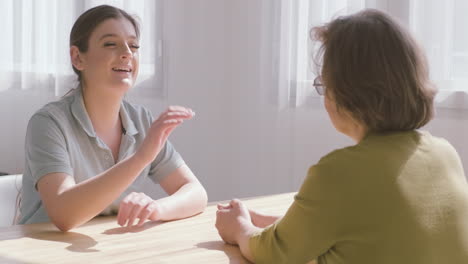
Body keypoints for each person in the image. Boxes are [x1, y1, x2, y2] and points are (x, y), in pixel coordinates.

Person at [215, 9, 468, 263]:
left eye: (324, 85)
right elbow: (371, 229)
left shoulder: (339, 173)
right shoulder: (445, 154)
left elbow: (274, 253)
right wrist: (267, 223)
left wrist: (239, 229)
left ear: (347, 92)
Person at [19, 5, 207, 231]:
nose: (127, 52)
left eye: (134, 45)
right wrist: (140, 158)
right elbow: (63, 214)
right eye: (110, 44)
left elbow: (195, 192)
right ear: (77, 58)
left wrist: (154, 208)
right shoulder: (48, 123)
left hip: (109, 247)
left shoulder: (141, 121)